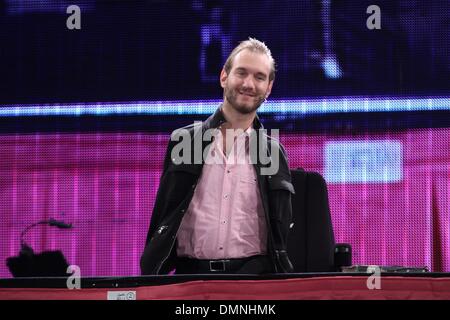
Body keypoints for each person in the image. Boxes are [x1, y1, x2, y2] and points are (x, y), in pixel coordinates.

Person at [140, 38, 295, 275]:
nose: (249, 84)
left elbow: (281, 229)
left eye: (259, 77)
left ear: (269, 88)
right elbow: (165, 214)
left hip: (253, 282)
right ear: (224, 76)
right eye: (241, 73)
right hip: (190, 279)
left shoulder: (272, 151)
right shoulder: (185, 142)